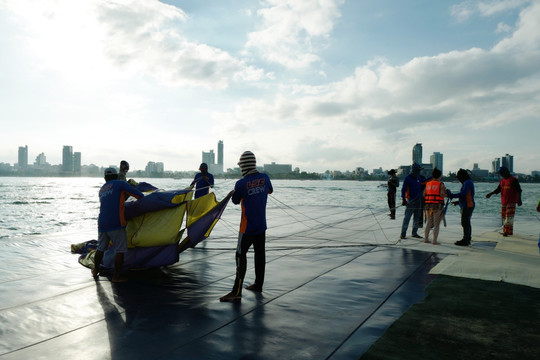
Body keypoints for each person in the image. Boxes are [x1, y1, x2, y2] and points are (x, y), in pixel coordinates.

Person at [220, 151, 273, 302]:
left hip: (246, 228)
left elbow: (236, 200)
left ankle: (236, 292)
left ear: (243, 166)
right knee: (260, 255)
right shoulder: (265, 177)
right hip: (261, 226)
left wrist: (238, 191)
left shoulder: (241, 183)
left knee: (240, 256)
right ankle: (258, 284)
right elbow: (269, 190)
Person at [92, 167, 144, 282]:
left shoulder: (102, 189)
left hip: (102, 223)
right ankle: (116, 276)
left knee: (100, 248)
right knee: (120, 250)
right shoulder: (120, 183)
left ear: (105, 178)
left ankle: (95, 270)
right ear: (116, 176)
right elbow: (139, 195)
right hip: (116, 222)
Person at [486, 166, 522, 236]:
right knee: (504, 217)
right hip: (504, 201)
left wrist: (519, 200)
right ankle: (506, 231)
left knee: (509, 217)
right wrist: (491, 193)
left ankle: (507, 232)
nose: (500, 175)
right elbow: (498, 189)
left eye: (501, 173)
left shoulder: (513, 180)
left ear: (505, 172)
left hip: (511, 202)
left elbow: (519, 190)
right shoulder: (503, 180)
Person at [446, 169, 475, 246]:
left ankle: (466, 240)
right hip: (467, 205)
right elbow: (467, 195)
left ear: (462, 177)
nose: (458, 179)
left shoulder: (467, 182)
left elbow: (464, 193)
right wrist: (458, 202)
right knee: (466, 222)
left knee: (465, 223)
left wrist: (452, 195)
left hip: (468, 206)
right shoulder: (467, 182)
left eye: (459, 177)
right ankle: (467, 238)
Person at [400, 163, 425, 239]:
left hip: (418, 200)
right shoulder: (407, 178)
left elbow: (424, 184)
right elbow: (403, 189)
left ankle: (414, 233)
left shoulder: (419, 178)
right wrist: (403, 199)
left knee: (417, 217)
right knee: (407, 217)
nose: (419, 172)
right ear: (414, 170)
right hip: (410, 200)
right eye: (418, 170)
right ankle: (403, 234)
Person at [423, 168, 446, 245]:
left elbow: (424, 194)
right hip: (437, 205)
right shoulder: (441, 184)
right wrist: (447, 194)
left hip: (428, 205)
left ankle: (426, 239)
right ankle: (434, 241)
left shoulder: (428, 184)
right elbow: (442, 194)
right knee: (436, 224)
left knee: (429, 222)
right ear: (439, 176)